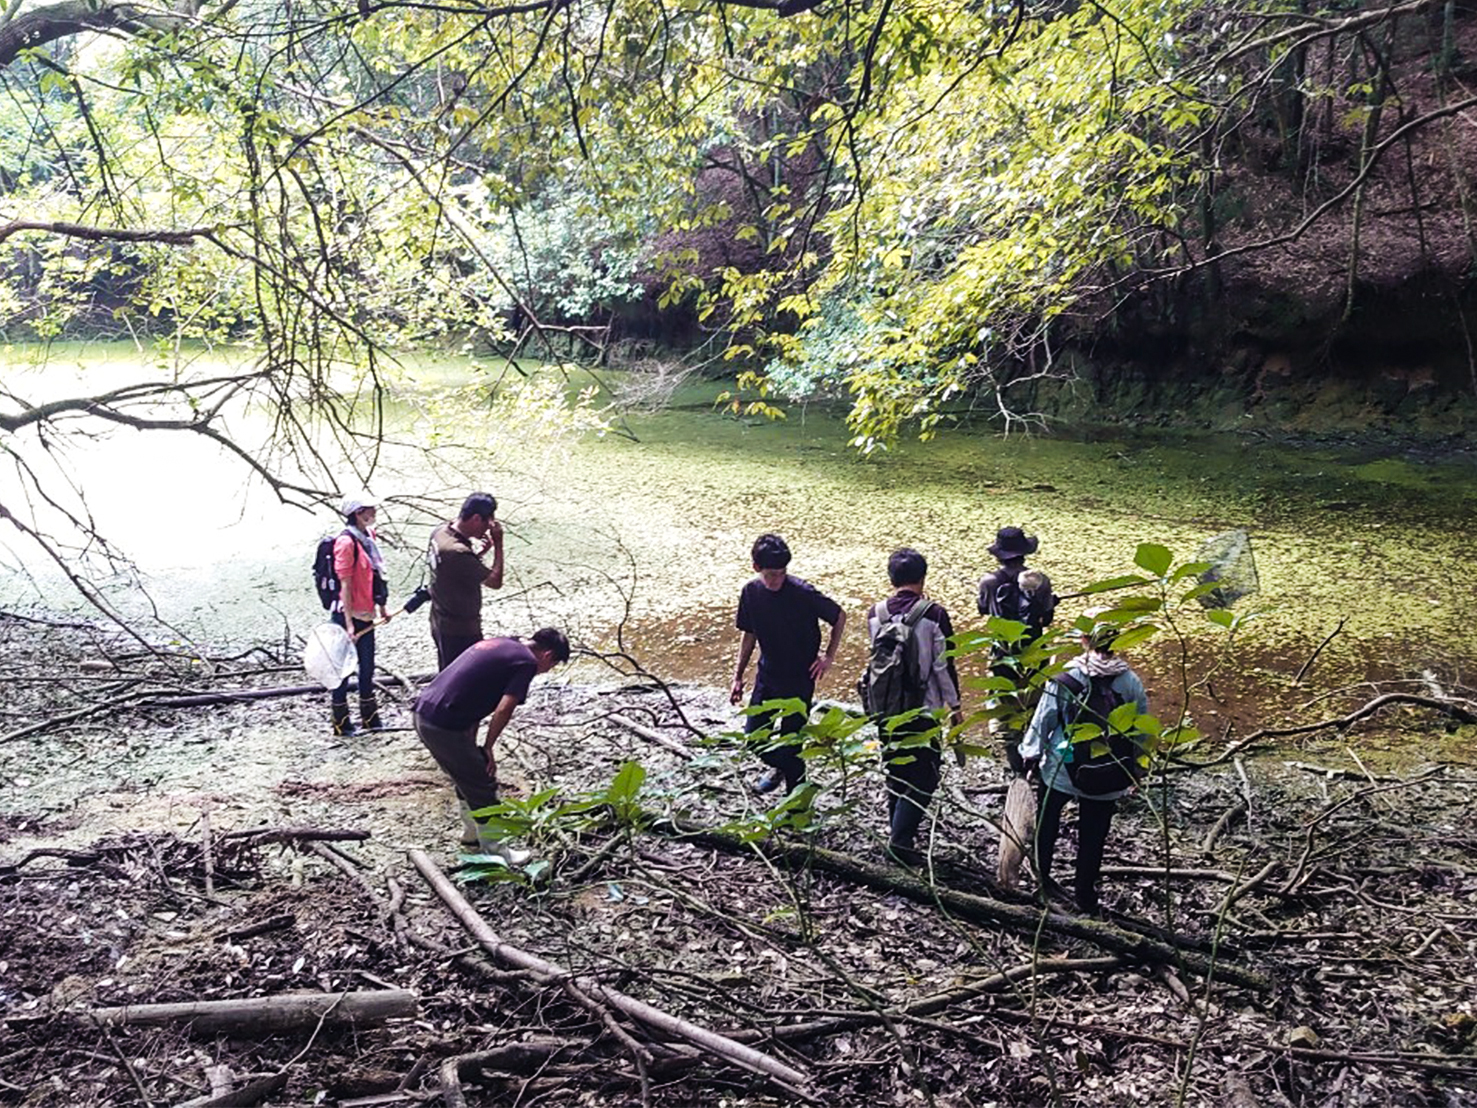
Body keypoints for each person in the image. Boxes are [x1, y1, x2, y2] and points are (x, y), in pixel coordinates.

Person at [1018, 614, 1149, 914]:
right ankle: (1085, 895)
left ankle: (1041, 881)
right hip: (1109, 770)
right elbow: (1140, 730)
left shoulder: (1067, 677)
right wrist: (1136, 768)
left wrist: (1031, 754)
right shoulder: (1130, 682)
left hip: (1063, 768)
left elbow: (1044, 720)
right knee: (1094, 836)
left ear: (1084, 640)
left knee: (1047, 823)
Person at [412, 627, 571, 857]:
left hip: (424, 713)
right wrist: (488, 746)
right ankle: (496, 852)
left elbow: (472, 696)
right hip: (442, 725)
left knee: (467, 775)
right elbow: (504, 709)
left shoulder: (506, 643)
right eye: (552, 666)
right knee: (483, 786)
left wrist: (476, 747)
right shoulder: (526, 663)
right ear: (547, 656)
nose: (546, 671)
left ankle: (472, 838)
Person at [866, 548, 963, 866]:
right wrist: (955, 707)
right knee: (926, 776)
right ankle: (899, 842)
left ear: (891, 578)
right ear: (923, 577)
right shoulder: (934, 615)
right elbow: (943, 667)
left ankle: (900, 836)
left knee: (897, 770)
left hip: (886, 709)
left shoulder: (875, 614)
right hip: (924, 710)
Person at [730, 534, 846, 796]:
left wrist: (828, 656)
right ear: (756, 568)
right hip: (768, 674)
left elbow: (839, 616)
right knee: (754, 739)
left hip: (800, 677)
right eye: (771, 574)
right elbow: (749, 634)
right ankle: (790, 770)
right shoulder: (751, 592)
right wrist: (737, 676)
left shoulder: (802, 592)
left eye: (782, 573)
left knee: (792, 741)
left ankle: (796, 803)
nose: (777, 580)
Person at [977, 526, 1056, 773]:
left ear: (998, 555)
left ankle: (1016, 767)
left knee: (1003, 710)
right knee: (1035, 705)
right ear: (1024, 553)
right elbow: (1046, 619)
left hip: (1002, 654)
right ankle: (1033, 760)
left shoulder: (989, 581)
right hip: (1034, 652)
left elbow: (983, 610)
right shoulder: (1041, 581)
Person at [331, 496, 392, 736]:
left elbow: (376, 576)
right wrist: (348, 625)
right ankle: (341, 722)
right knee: (343, 671)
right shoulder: (345, 543)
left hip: (366, 613)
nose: (375, 511)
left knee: (367, 668)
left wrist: (382, 607)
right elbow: (344, 584)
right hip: (347, 616)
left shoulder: (369, 537)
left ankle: (370, 718)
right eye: (370, 509)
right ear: (358, 513)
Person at [428, 492, 505, 670]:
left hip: (439, 619)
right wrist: (499, 544)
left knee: (448, 672)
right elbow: (495, 582)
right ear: (476, 518)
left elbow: (453, 570)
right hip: (458, 629)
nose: (487, 530)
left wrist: (480, 554)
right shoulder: (457, 551)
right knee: (463, 680)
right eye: (487, 524)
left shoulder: (440, 532)